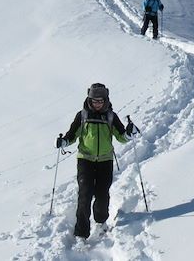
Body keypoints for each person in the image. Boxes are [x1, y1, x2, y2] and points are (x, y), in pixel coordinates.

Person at [55, 83, 136, 241]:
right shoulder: (83, 115)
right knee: (84, 195)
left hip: (105, 160)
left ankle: (101, 221)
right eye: (94, 101)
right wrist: (63, 142)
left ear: (105, 100)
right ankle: (81, 233)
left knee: (102, 195)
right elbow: (72, 135)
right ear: (89, 100)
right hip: (85, 160)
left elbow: (122, 137)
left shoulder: (111, 116)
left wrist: (129, 133)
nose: (97, 104)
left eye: (100, 101)